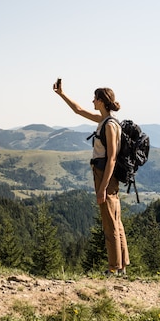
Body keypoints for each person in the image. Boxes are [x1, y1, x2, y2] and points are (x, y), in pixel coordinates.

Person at [53, 79, 129, 276]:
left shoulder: (110, 125)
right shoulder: (103, 120)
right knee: (115, 220)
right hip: (103, 174)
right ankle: (121, 266)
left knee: (110, 222)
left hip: (105, 175)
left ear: (102, 101)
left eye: (95, 98)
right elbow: (78, 110)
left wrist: (102, 187)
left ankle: (114, 268)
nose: (92, 101)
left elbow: (112, 157)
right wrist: (62, 94)